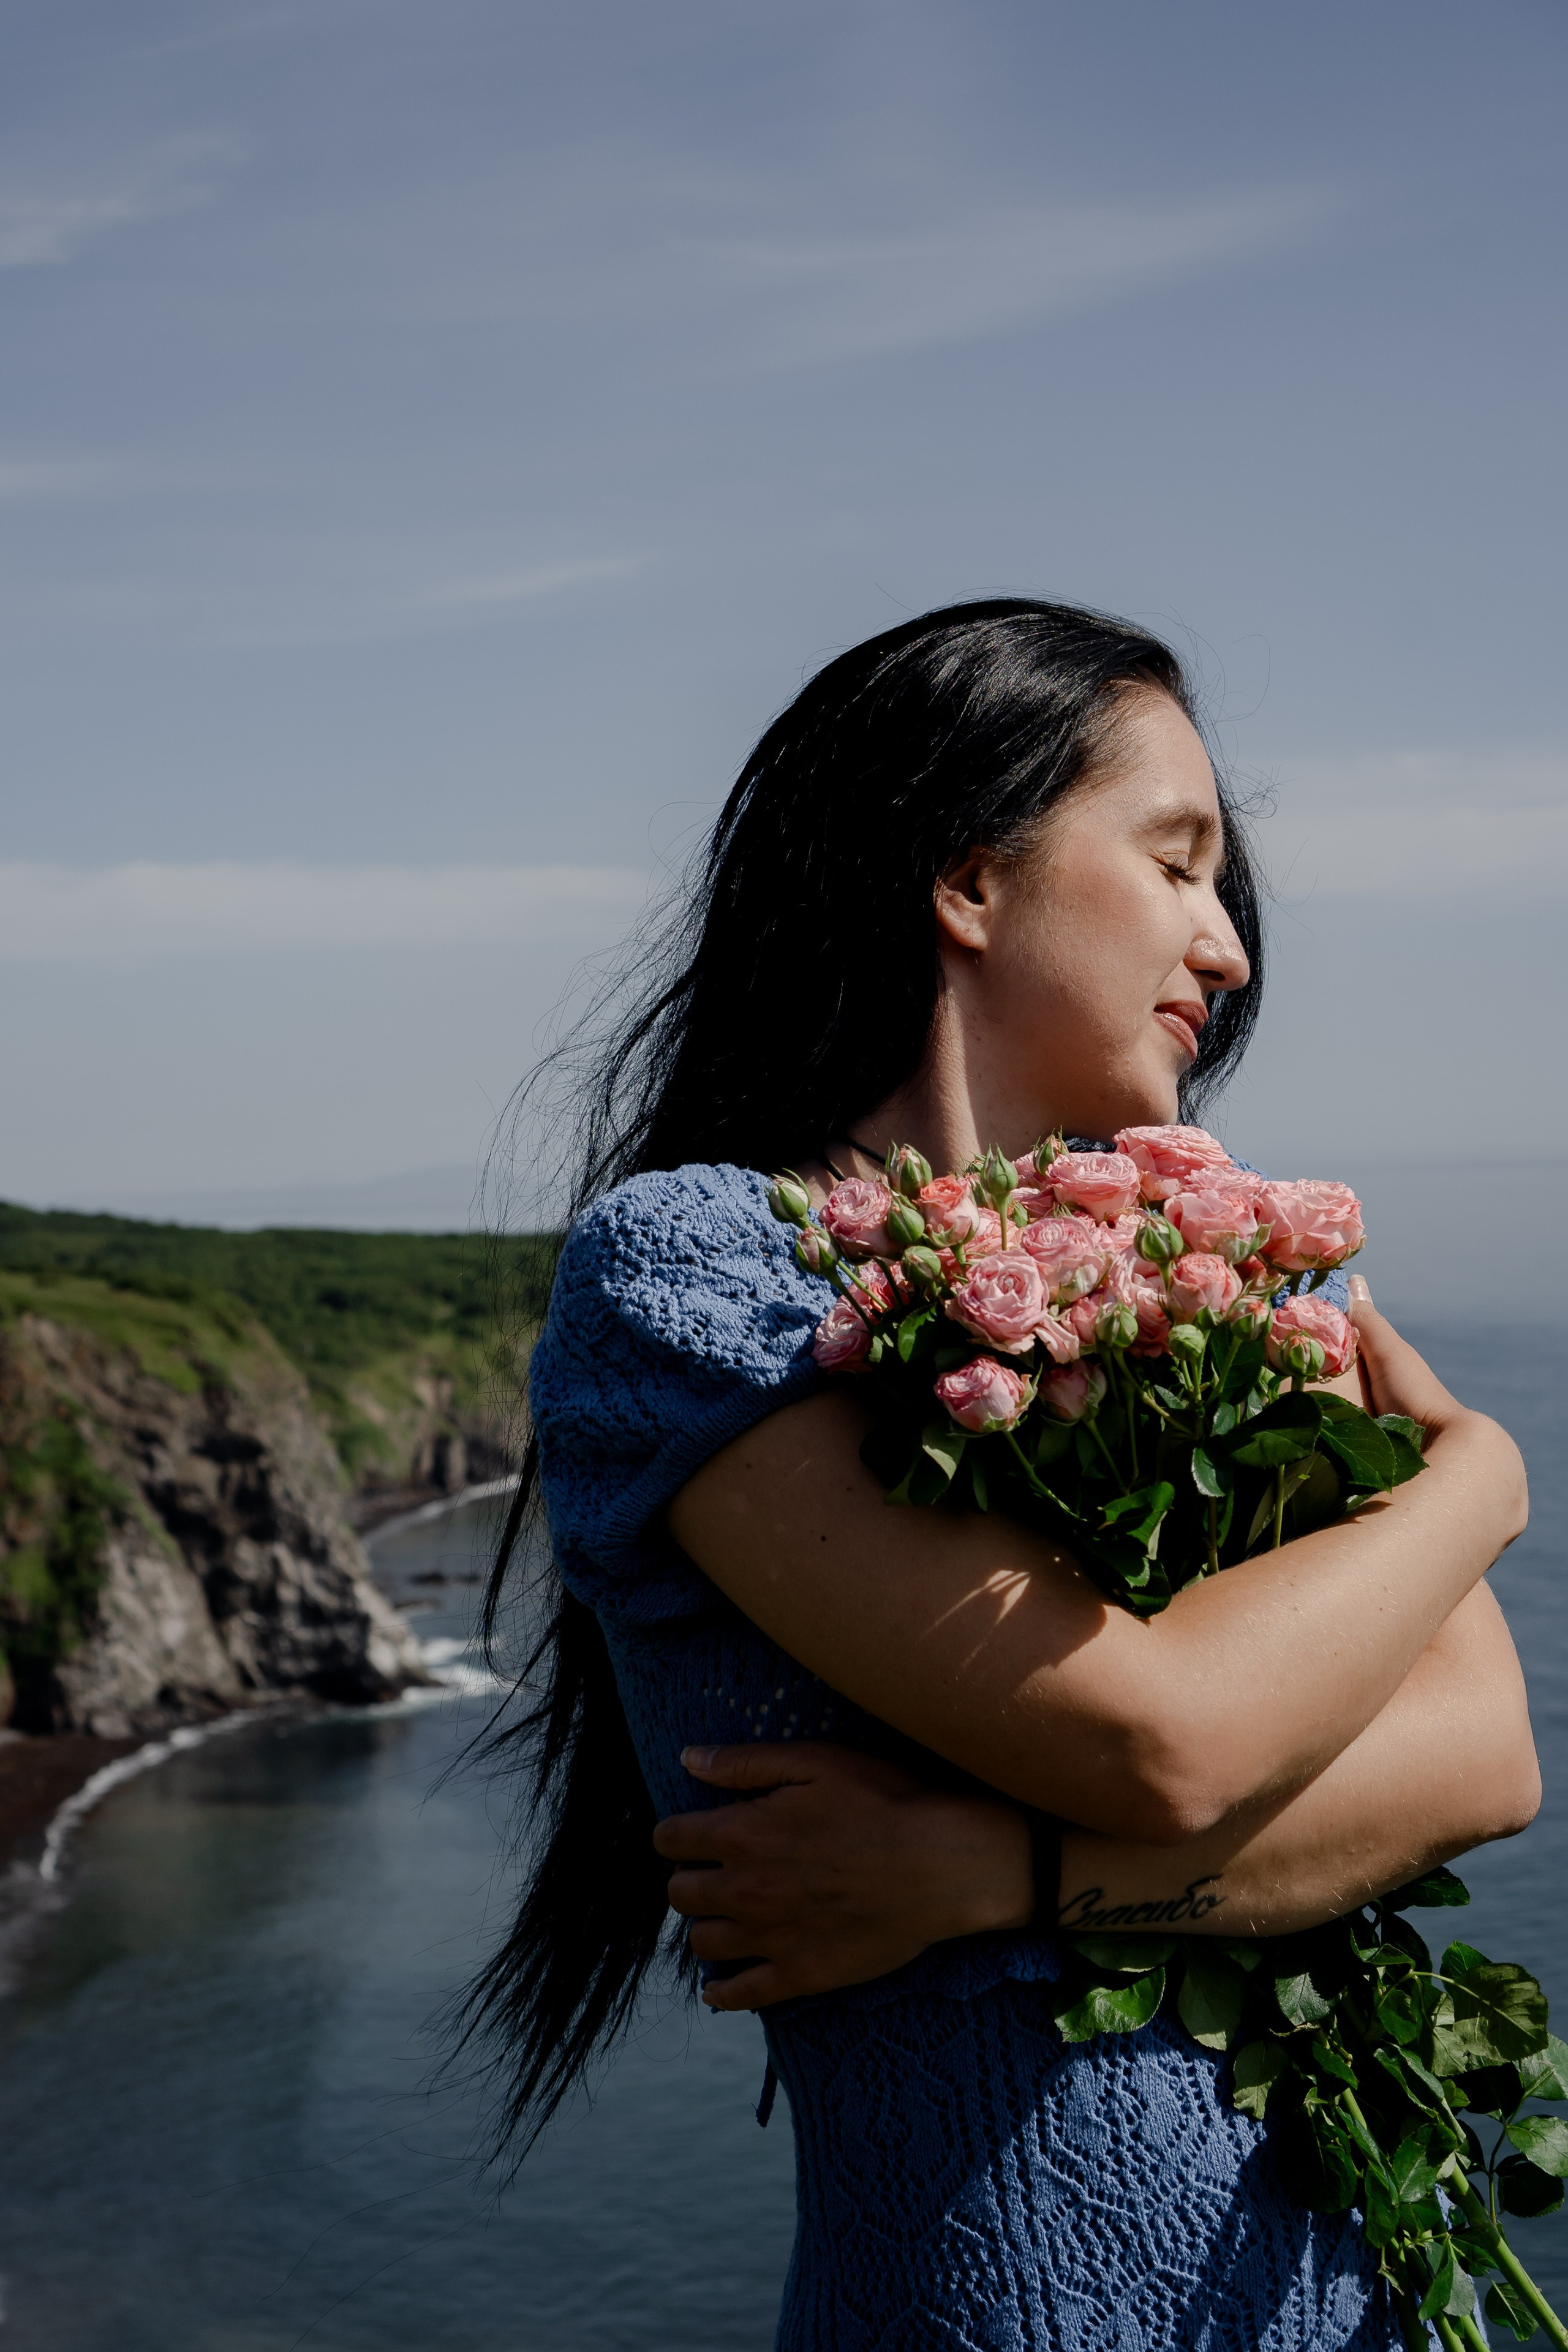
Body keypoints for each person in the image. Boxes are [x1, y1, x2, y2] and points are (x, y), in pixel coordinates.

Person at [476, 600, 1535, 2350]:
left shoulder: (1242, 1272)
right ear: (968, 882)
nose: (1232, 951)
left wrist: (1004, 1881)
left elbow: (1483, 1756)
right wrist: (1479, 1481)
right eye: (1179, 866)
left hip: (1348, 2299)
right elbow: (1162, 1738)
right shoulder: (705, 1281)